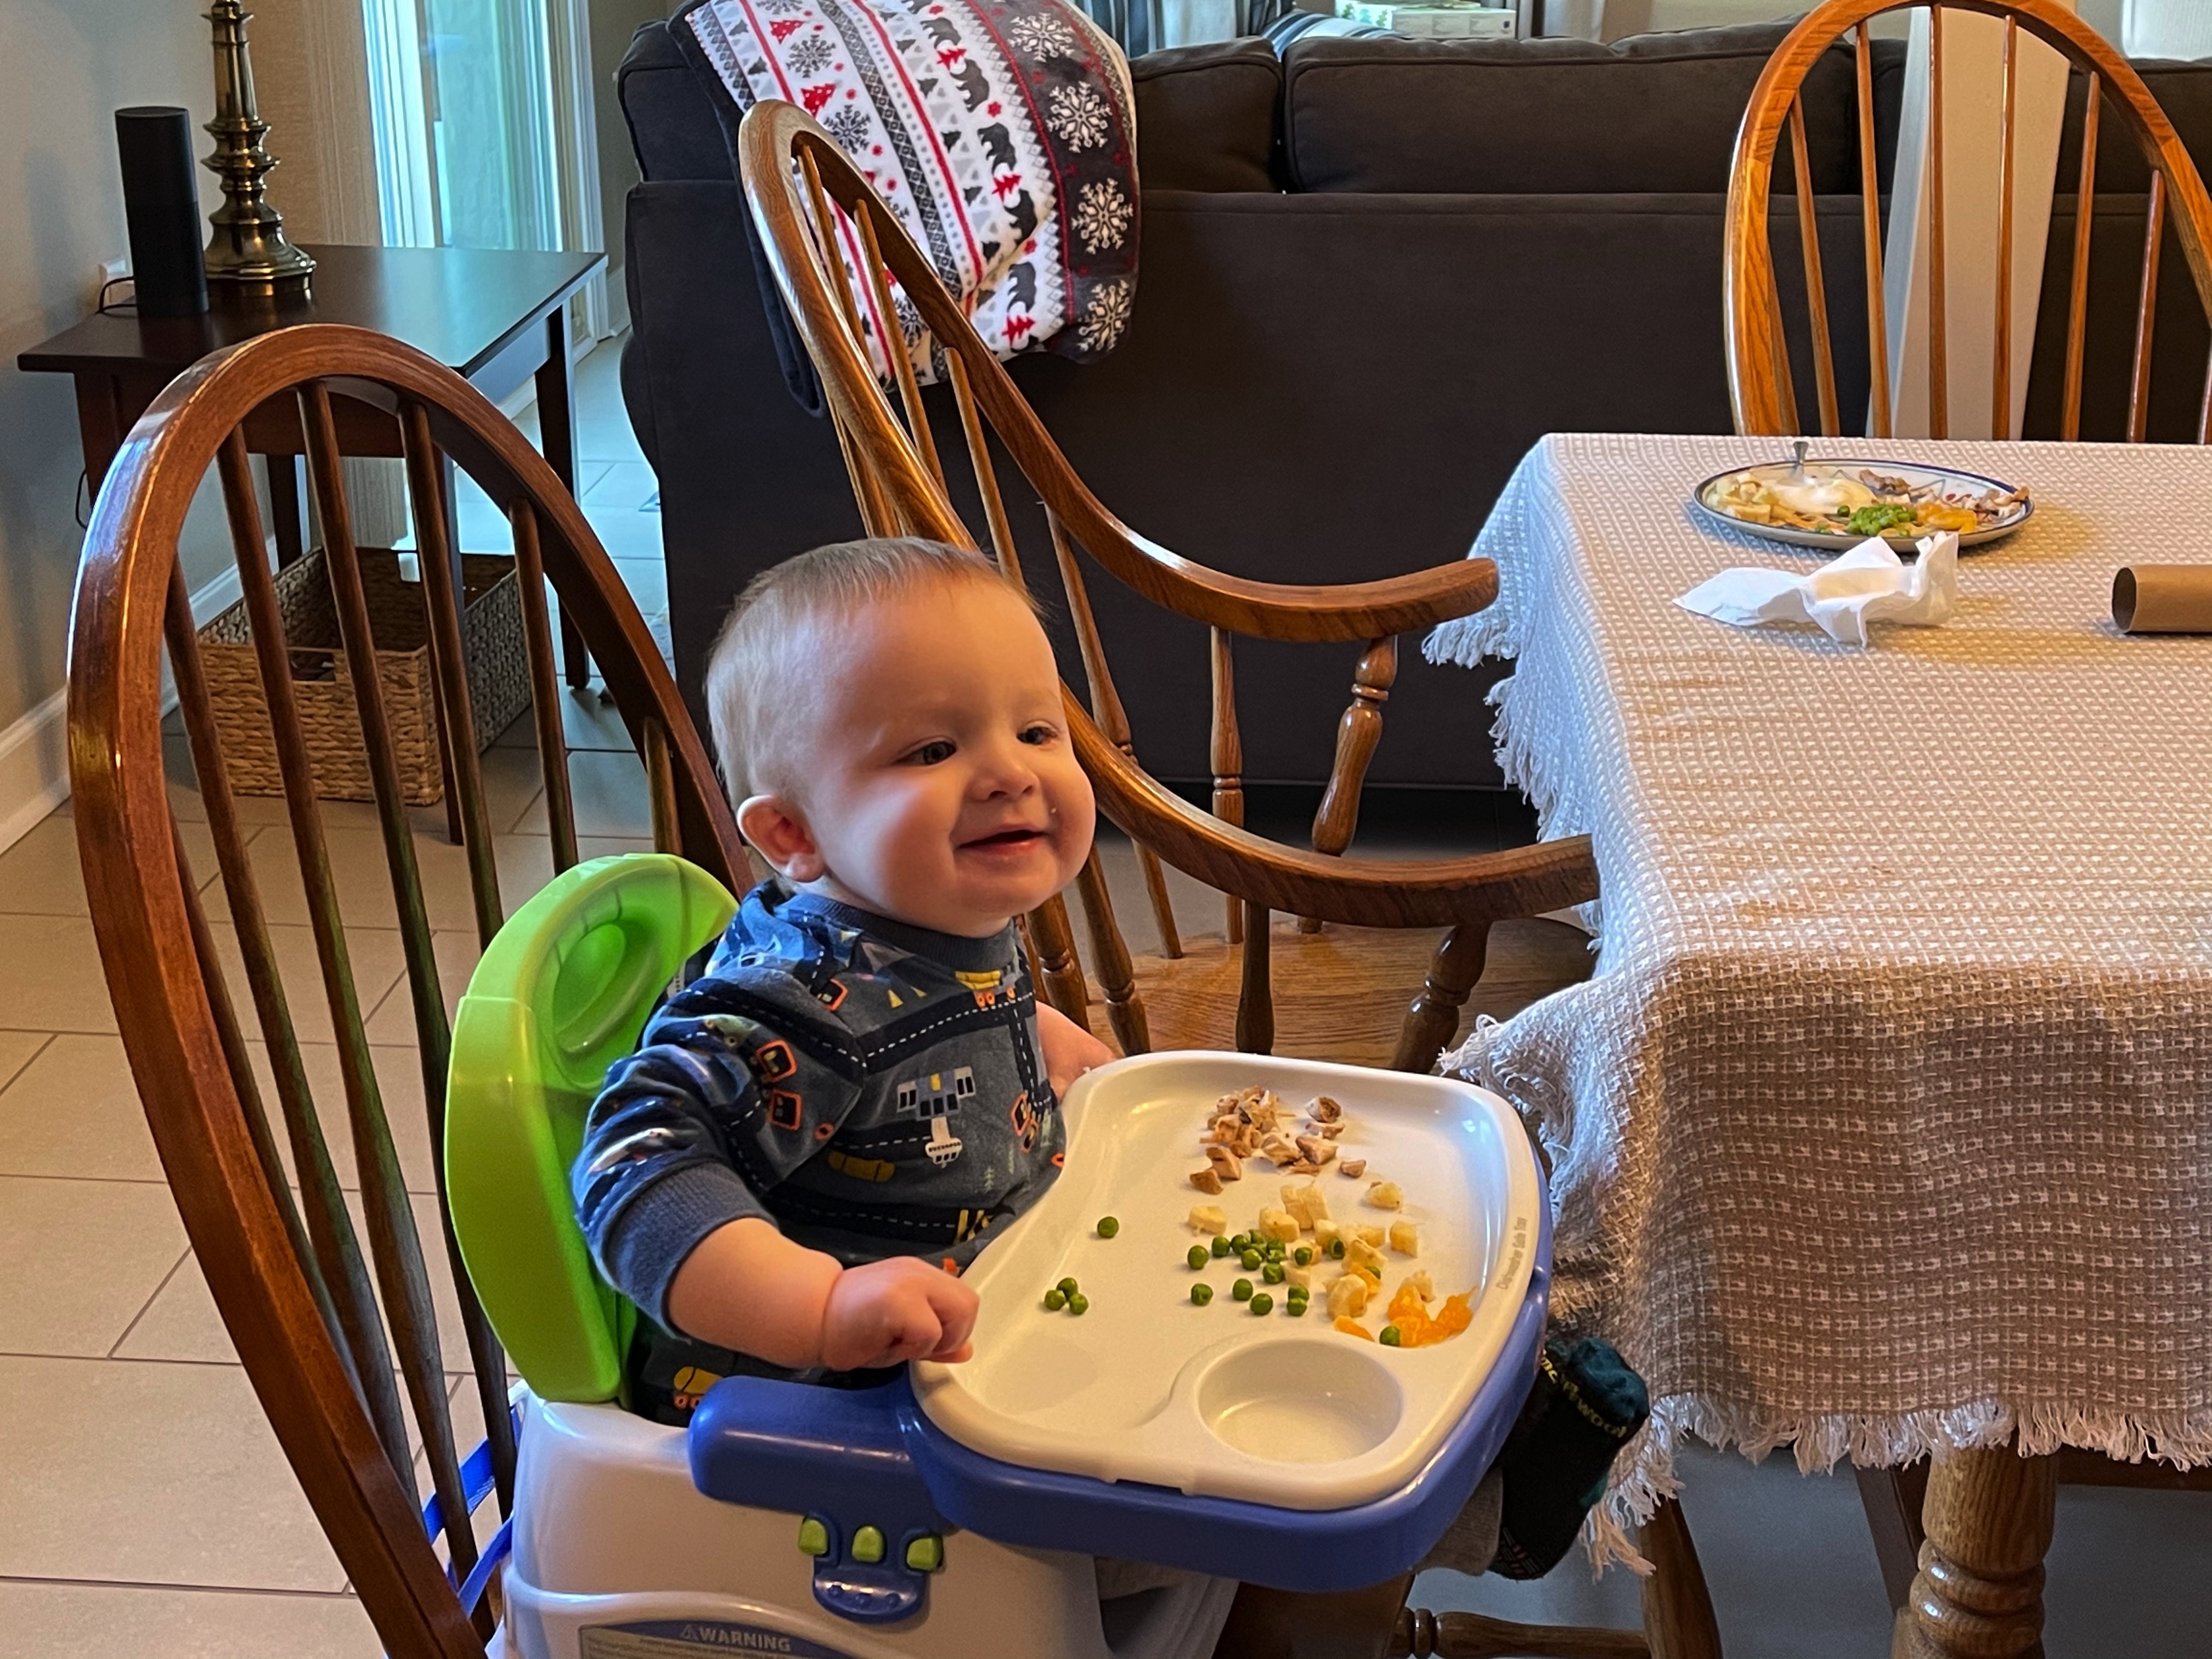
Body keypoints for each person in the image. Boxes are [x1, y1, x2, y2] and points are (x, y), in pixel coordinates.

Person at [572, 537, 1114, 1422]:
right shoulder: (796, 1001)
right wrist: (819, 1309)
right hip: (828, 1405)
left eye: (1036, 731)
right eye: (932, 750)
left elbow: (925, 1012)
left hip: (991, 1312)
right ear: (793, 835)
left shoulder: (930, 911)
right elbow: (632, 1159)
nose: (1012, 774)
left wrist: (1025, 1030)